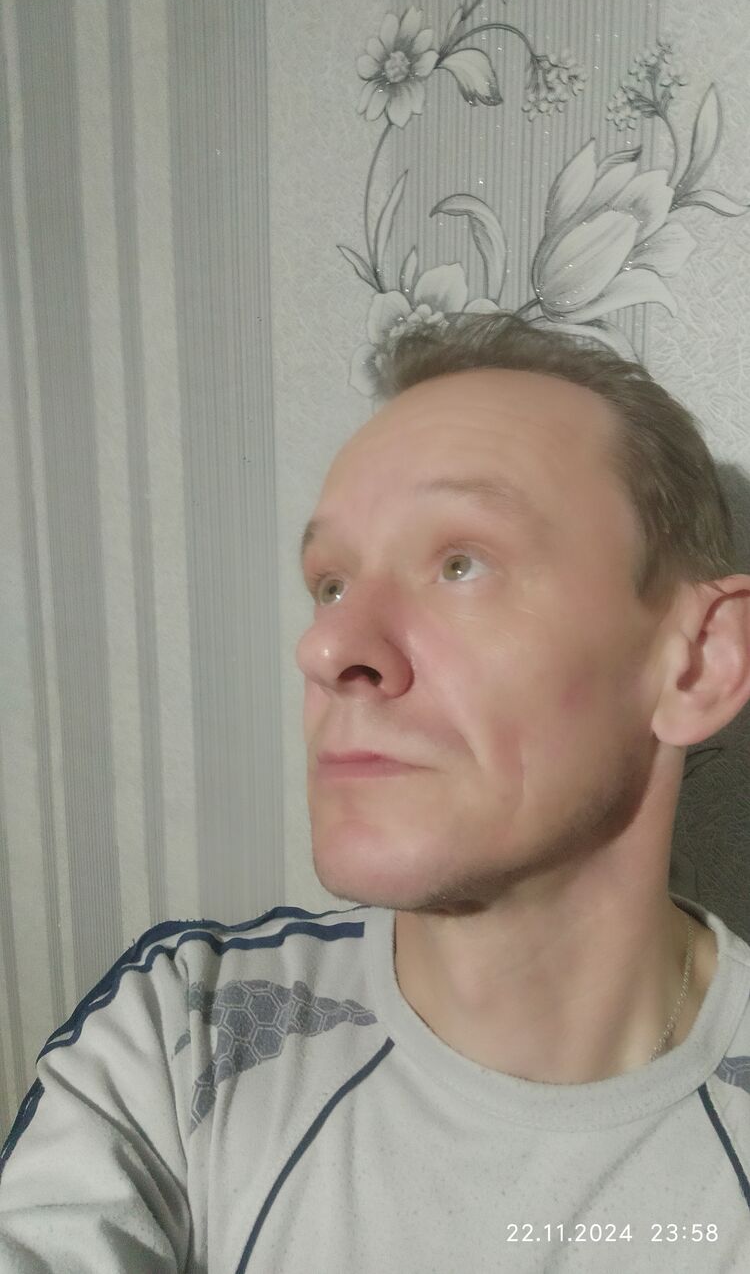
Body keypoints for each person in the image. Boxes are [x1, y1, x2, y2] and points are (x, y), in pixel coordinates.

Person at [1, 313, 749, 1272]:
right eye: (329, 583)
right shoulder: (182, 1039)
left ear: (698, 662)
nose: (326, 647)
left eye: (460, 562)